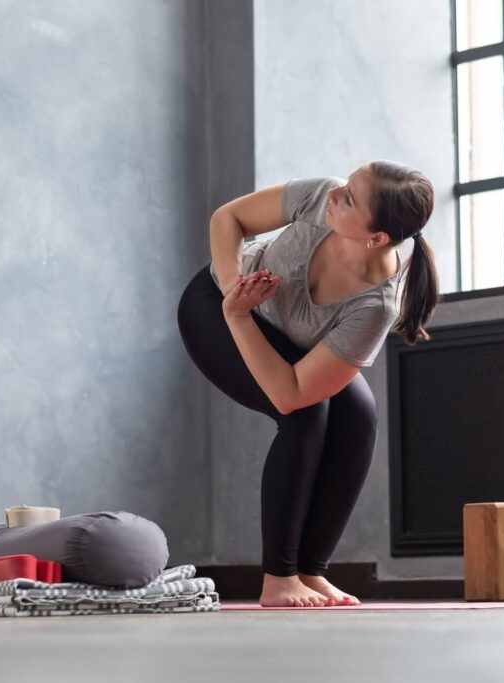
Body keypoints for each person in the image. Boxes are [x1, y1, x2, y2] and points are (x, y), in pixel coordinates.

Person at [177, 160, 439, 607]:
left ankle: (307, 571)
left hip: (262, 329)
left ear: (376, 238)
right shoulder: (321, 196)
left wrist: (240, 313)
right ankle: (278, 578)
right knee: (305, 417)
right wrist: (232, 293)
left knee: (357, 416)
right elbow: (229, 218)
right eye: (346, 186)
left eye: (350, 199)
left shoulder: (374, 307)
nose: (336, 195)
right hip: (215, 309)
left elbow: (290, 388)